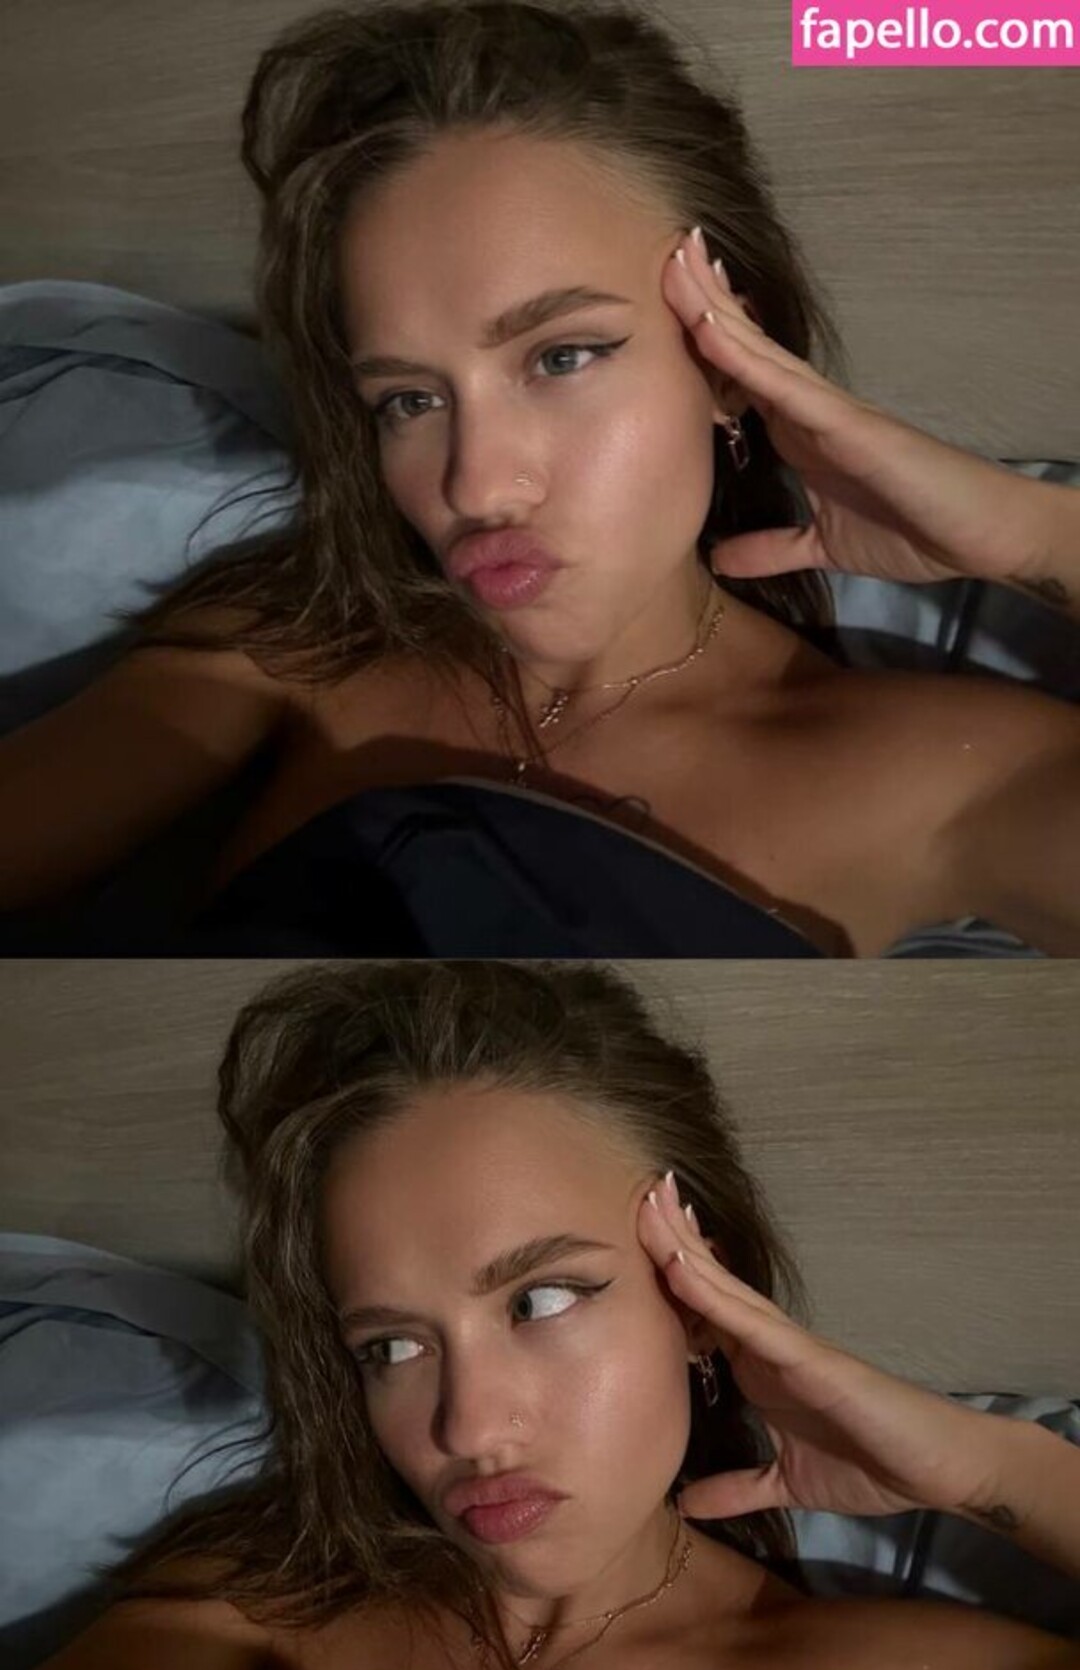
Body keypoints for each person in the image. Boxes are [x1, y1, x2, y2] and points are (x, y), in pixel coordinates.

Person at [2, 0, 1078, 956]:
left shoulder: (941, 772)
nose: (476, 487)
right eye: (408, 401)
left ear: (729, 365)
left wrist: (1039, 537)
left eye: (561, 357)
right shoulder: (290, 650)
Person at [3, 959, 1078, 1670]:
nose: (468, 1426)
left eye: (543, 1299)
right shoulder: (268, 1602)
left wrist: (999, 1469)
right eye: (391, 1347)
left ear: (699, 1304)